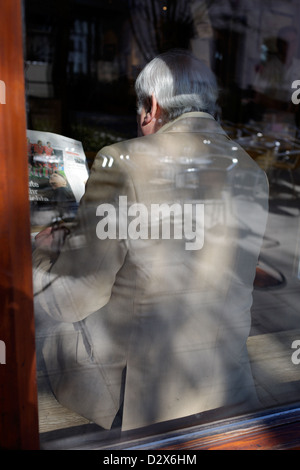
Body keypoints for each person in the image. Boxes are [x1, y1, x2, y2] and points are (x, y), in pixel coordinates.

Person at [33, 49, 269, 432]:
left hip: (140, 402)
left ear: (151, 107)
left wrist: (38, 256)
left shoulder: (123, 162)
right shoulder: (251, 171)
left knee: (46, 325)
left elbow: (72, 298)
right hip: (227, 385)